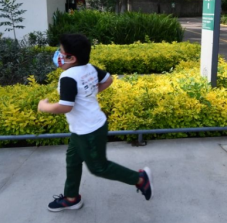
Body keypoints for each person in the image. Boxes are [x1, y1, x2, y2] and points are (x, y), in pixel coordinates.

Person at [38, 33, 153, 212]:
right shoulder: (89, 68)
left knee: (99, 168)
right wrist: (89, 93)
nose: (57, 55)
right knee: (72, 160)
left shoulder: (68, 77)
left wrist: (44, 107)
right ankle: (71, 198)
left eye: (60, 52)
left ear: (71, 58)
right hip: (83, 128)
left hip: (89, 131)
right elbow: (109, 79)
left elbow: (65, 107)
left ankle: (140, 179)